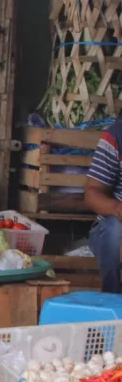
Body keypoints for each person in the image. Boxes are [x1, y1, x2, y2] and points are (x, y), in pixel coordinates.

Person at [85, 122, 122, 294]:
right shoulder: (116, 136)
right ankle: (112, 299)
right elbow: (93, 193)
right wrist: (117, 207)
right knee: (115, 230)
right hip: (114, 229)